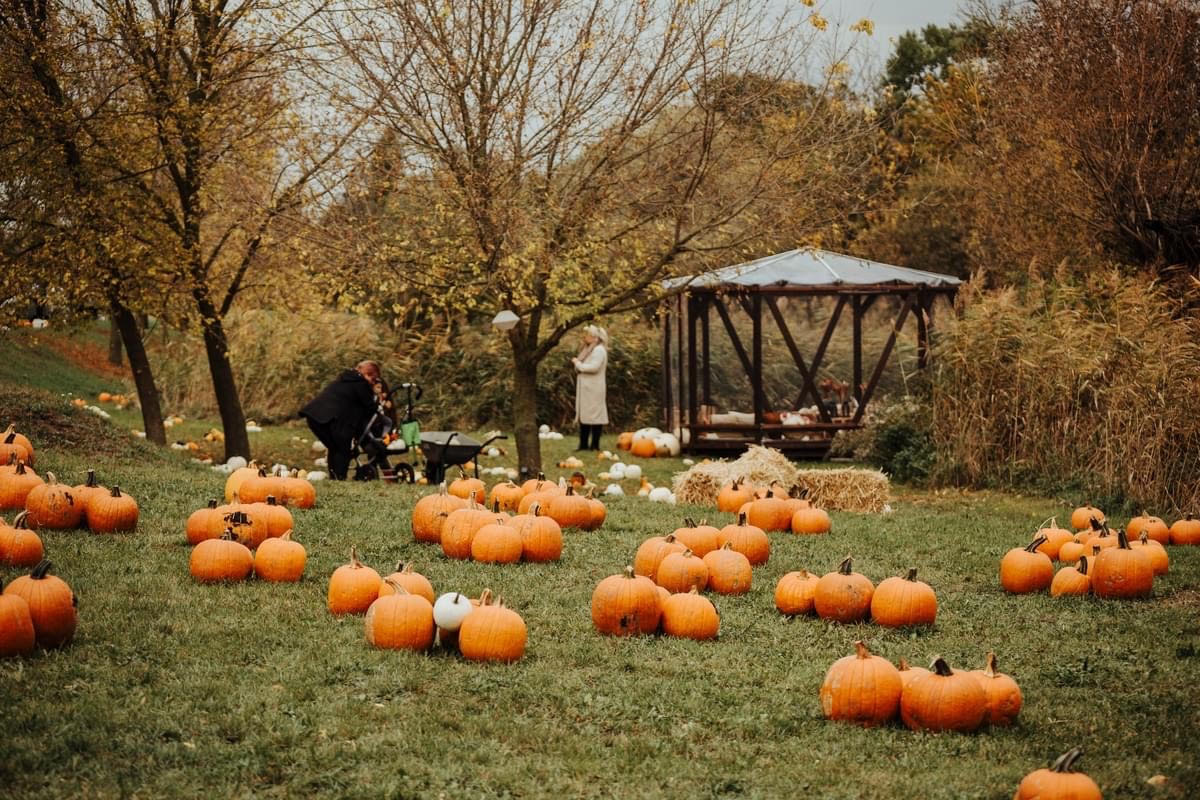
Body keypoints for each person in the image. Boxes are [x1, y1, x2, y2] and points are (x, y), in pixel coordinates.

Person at [300, 360, 384, 480]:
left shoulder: (345, 378)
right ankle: (340, 478)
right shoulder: (361, 383)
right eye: (373, 380)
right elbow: (370, 407)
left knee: (335, 448)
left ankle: (334, 477)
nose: (373, 383)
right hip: (332, 419)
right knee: (343, 449)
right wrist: (379, 400)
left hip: (315, 416)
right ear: (368, 375)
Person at [572, 324, 609, 451]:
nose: (585, 337)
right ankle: (583, 444)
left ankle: (595, 444)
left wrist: (578, 364)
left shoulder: (599, 350)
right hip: (587, 388)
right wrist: (579, 364)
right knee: (585, 416)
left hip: (594, 388)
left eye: (587, 335)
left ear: (595, 338)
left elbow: (594, 367)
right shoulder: (589, 350)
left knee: (595, 416)